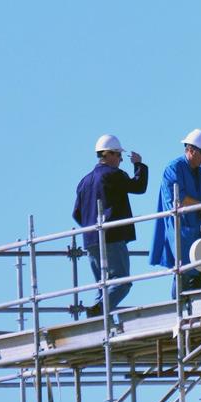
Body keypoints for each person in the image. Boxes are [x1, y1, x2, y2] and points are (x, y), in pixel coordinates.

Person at [73, 134, 148, 317]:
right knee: (122, 282)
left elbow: (77, 213)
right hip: (112, 237)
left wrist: (91, 229)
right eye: (118, 155)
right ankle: (99, 311)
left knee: (103, 284)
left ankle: (97, 316)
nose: (121, 160)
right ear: (109, 154)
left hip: (91, 240)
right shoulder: (113, 175)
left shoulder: (84, 182)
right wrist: (139, 165)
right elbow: (139, 186)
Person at [150, 129, 201, 298]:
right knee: (183, 272)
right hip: (181, 231)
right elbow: (179, 199)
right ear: (191, 150)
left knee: (200, 273)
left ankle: (196, 313)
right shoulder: (174, 169)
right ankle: (177, 310)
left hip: (198, 231)